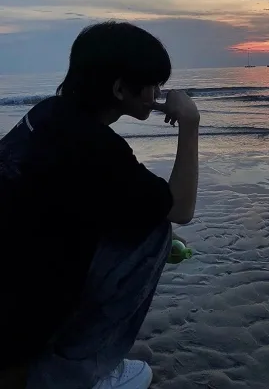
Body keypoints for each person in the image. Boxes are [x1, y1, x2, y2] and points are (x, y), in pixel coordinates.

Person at [0, 21, 199, 388]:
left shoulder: (47, 115)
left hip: (11, 280)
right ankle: (76, 371)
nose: (158, 93)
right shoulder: (96, 149)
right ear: (120, 89)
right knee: (156, 232)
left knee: (134, 217)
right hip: (19, 318)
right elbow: (181, 209)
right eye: (153, 84)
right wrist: (190, 122)